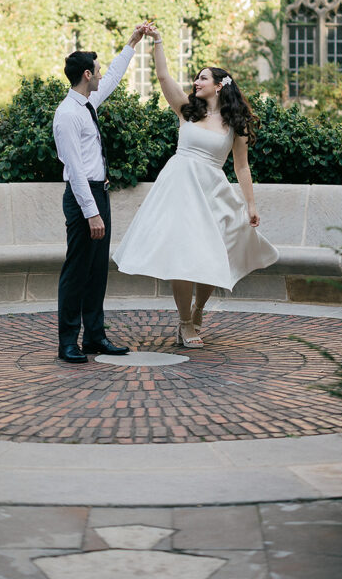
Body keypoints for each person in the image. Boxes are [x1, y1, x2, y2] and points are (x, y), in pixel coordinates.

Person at [113, 25, 278, 349]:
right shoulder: (188, 112)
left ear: (219, 86)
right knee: (183, 255)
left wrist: (251, 205)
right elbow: (163, 79)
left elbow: (241, 166)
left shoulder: (236, 124)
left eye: (203, 78)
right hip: (179, 189)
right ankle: (185, 322)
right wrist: (158, 41)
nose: (196, 82)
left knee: (214, 253)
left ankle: (198, 309)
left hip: (211, 190)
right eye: (196, 78)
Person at [53, 25, 147, 363]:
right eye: (97, 69)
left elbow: (113, 80)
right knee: (77, 270)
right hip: (83, 200)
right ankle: (68, 342)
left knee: (96, 271)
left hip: (99, 195)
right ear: (87, 74)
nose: (101, 75)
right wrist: (91, 212)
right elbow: (75, 169)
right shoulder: (66, 114)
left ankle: (94, 337)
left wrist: (131, 45)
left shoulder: (88, 101)